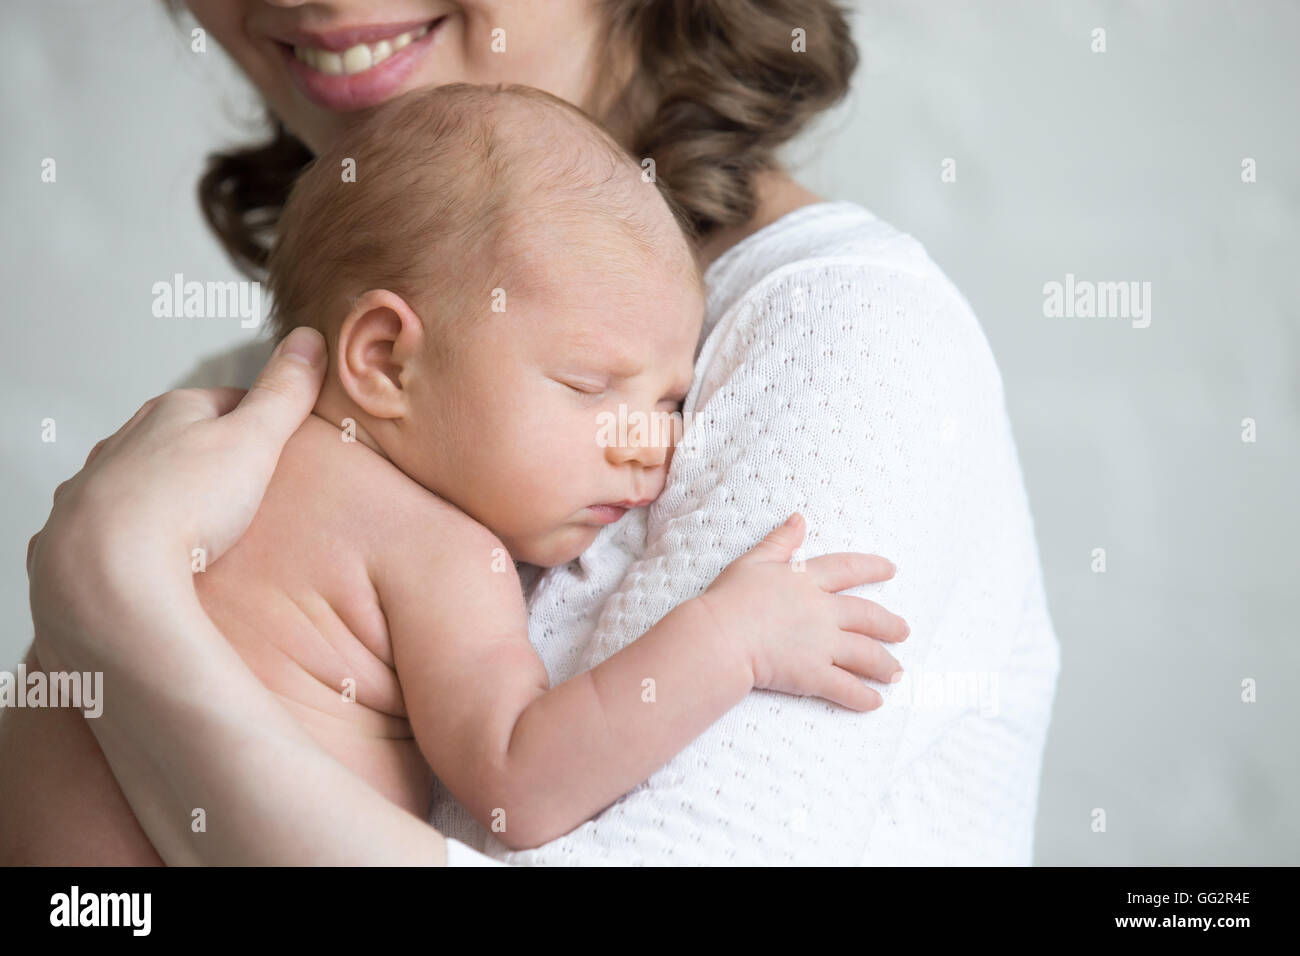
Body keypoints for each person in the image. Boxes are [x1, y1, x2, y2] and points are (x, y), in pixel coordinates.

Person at [5, 0, 1060, 865]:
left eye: (663, 399)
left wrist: (116, 602)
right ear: (383, 358)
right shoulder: (332, 460)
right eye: (590, 385)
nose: (648, 447)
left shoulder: (840, 335)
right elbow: (518, 772)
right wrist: (729, 638)